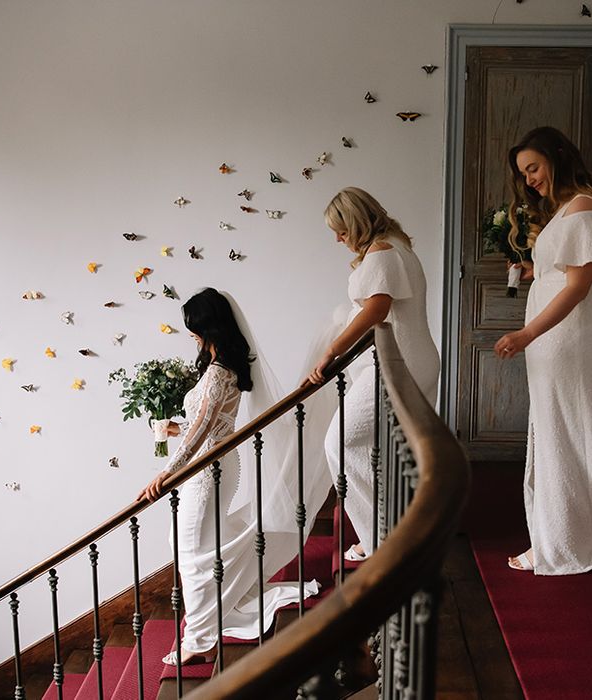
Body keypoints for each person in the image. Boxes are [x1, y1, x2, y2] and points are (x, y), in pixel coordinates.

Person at [138, 288, 329, 664]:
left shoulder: (217, 373)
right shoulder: (222, 369)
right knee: (202, 544)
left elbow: (205, 428)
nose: (190, 334)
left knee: (190, 551)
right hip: (216, 463)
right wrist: (174, 428)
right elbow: (205, 424)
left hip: (208, 470)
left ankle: (200, 639)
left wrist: (166, 475)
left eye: (194, 327)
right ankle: (222, 606)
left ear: (210, 327)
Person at [494, 127, 592, 575]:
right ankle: (580, 529)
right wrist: (532, 270)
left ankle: (564, 540)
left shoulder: (583, 208)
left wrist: (527, 335)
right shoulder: (570, 209)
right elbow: (562, 274)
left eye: (534, 168)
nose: (529, 180)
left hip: (569, 339)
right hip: (559, 339)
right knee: (559, 433)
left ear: (558, 157)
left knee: (565, 435)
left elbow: (579, 287)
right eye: (524, 173)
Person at [305, 187, 440, 561]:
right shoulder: (397, 245)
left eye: (342, 230)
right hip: (410, 360)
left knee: (340, 444)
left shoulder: (382, 252)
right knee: (389, 452)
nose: (338, 239)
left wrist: (333, 350)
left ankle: (381, 538)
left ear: (357, 221)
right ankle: (393, 530)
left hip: (396, 366)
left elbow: (377, 309)